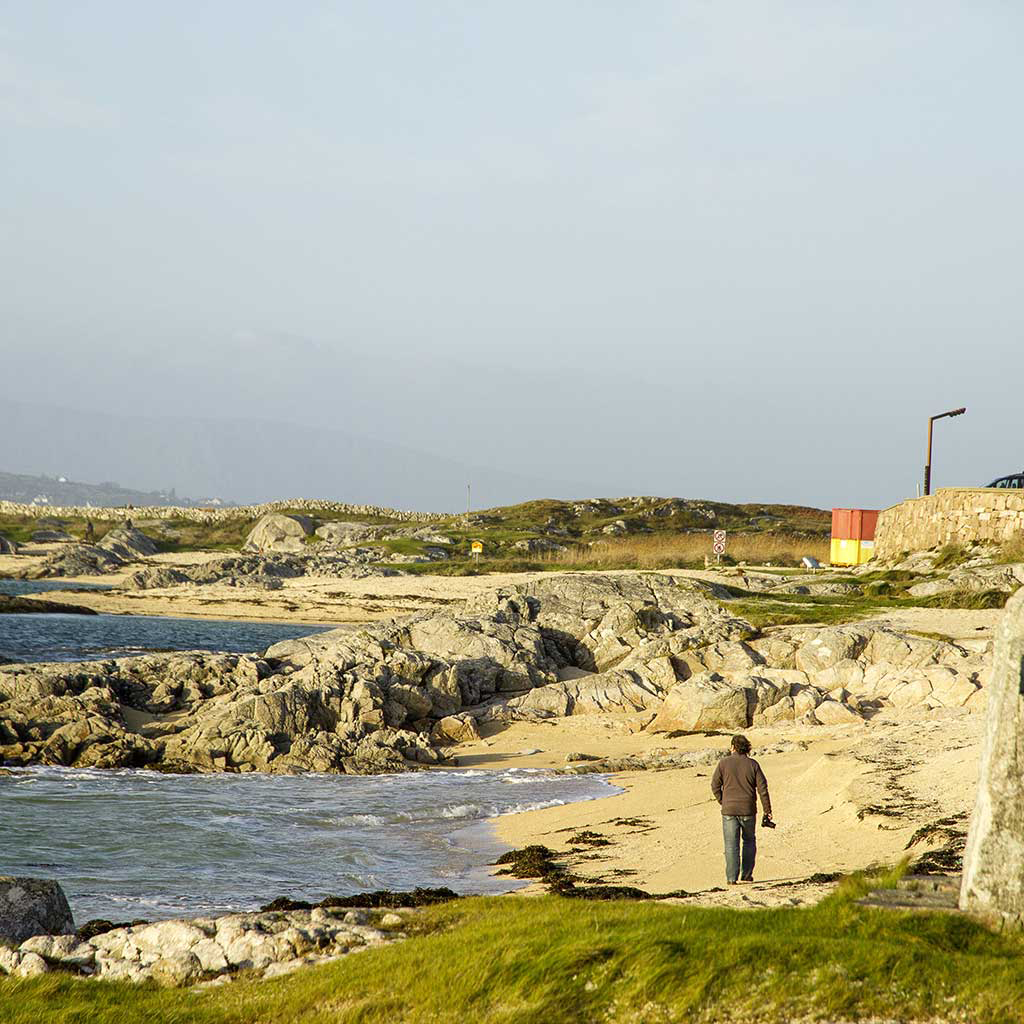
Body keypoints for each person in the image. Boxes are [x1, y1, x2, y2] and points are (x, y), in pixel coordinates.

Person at [711, 735, 772, 885]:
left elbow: (714, 785)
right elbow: (762, 789)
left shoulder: (723, 763)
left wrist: (722, 801)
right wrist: (767, 810)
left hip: (729, 810)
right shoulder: (753, 765)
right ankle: (746, 875)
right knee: (749, 841)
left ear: (733, 747)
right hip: (748, 809)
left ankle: (731, 879)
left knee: (731, 845)